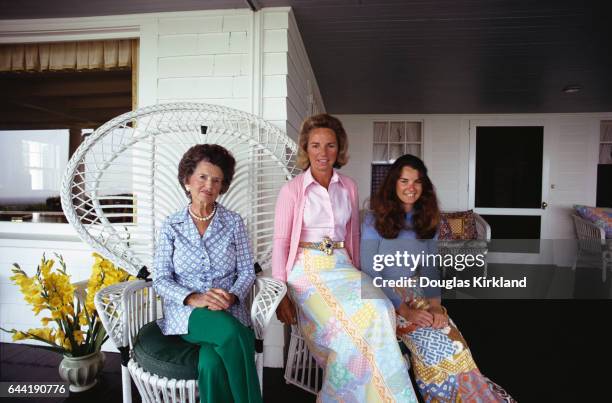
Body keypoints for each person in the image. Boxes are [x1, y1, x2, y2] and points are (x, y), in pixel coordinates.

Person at [272, 114, 418, 402]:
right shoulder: (292, 190)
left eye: (330, 145)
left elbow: (352, 236)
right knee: (347, 329)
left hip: (342, 265)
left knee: (379, 308)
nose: (322, 153)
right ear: (306, 148)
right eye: (315, 145)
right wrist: (280, 292)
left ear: (339, 149)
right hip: (306, 269)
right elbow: (281, 242)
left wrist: (363, 275)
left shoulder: (348, 186)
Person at [361, 154, 515, 402]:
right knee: (435, 354)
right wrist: (405, 311)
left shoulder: (427, 221)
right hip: (384, 299)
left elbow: (431, 269)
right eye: (404, 181)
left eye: (417, 181)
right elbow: (370, 272)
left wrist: (435, 306)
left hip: (417, 292)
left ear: (424, 186)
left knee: (456, 344)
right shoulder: (372, 220)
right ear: (393, 184)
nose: (411, 188)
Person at [153, 144, 261, 403]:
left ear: (222, 186)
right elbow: (160, 278)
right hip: (188, 313)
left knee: (211, 365)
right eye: (202, 177)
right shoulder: (171, 226)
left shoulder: (234, 222)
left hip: (228, 308)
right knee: (234, 335)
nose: (209, 185)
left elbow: (247, 271)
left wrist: (232, 297)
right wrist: (194, 298)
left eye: (216, 180)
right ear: (187, 180)